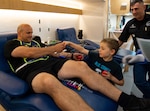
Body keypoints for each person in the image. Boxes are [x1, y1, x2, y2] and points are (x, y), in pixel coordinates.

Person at [4, 24, 150, 111]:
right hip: (32, 71)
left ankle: (130, 102)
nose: (31, 35)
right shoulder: (12, 44)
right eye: (28, 33)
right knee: (50, 82)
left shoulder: (36, 41)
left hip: (51, 63)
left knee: (81, 66)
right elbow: (29, 53)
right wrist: (52, 48)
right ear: (19, 33)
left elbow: (54, 53)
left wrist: (70, 56)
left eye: (31, 32)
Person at [118, 0, 150, 98]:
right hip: (140, 56)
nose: (134, 12)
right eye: (132, 10)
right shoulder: (130, 24)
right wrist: (109, 49)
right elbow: (121, 40)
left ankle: (146, 100)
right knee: (139, 81)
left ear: (144, 7)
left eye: (136, 9)